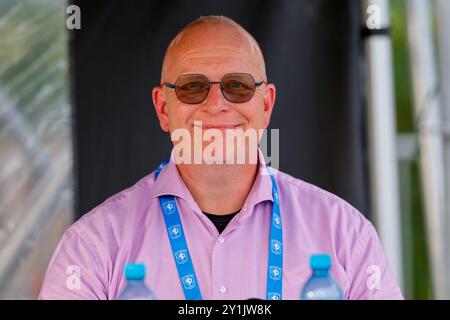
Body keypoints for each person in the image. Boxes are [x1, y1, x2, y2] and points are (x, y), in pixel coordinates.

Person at [39, 15, 403, 300]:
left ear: (266, 105)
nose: (216, 104)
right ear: (163, 109)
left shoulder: (346, 235)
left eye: (237, 86)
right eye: (192, 87)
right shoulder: (92, 246)